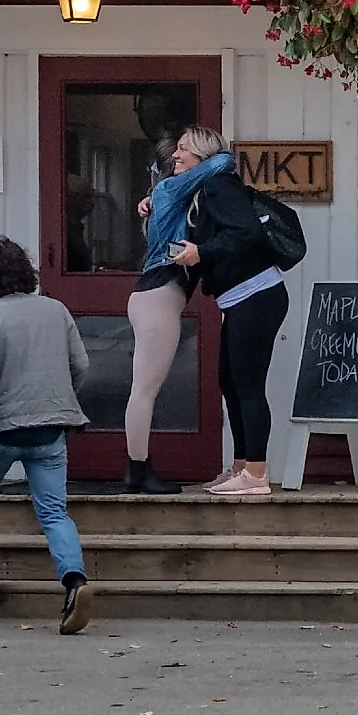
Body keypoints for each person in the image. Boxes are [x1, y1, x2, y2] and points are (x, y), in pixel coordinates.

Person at [0, 237, 96, 634]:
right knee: (54, 511)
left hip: (3, 430)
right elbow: (82, 365)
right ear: (27, 274)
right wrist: (58, 398)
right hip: (51, 429)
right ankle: (75, 581)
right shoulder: (57, 310)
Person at [122, 126, 236, 494]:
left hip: (157, 295)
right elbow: (225, 159)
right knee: (145, 389)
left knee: (146, 387)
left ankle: (138, 470)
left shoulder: (178, 193)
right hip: (158, 294)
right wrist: (201, 159)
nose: (175, 154)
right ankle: (137, 472)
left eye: (184, 149)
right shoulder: (171, 188)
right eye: (179, 148)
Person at [174, 146, 291, 497]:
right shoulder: (198, 192)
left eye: (184, 148)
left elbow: (247, 231)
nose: (175, 154)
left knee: (248, 384)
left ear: (202, 157)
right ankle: (241, 466)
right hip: (238, 298)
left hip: (256, 294)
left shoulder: (218, 186)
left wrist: (201, 252)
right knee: (230, 381)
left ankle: (256, 472)